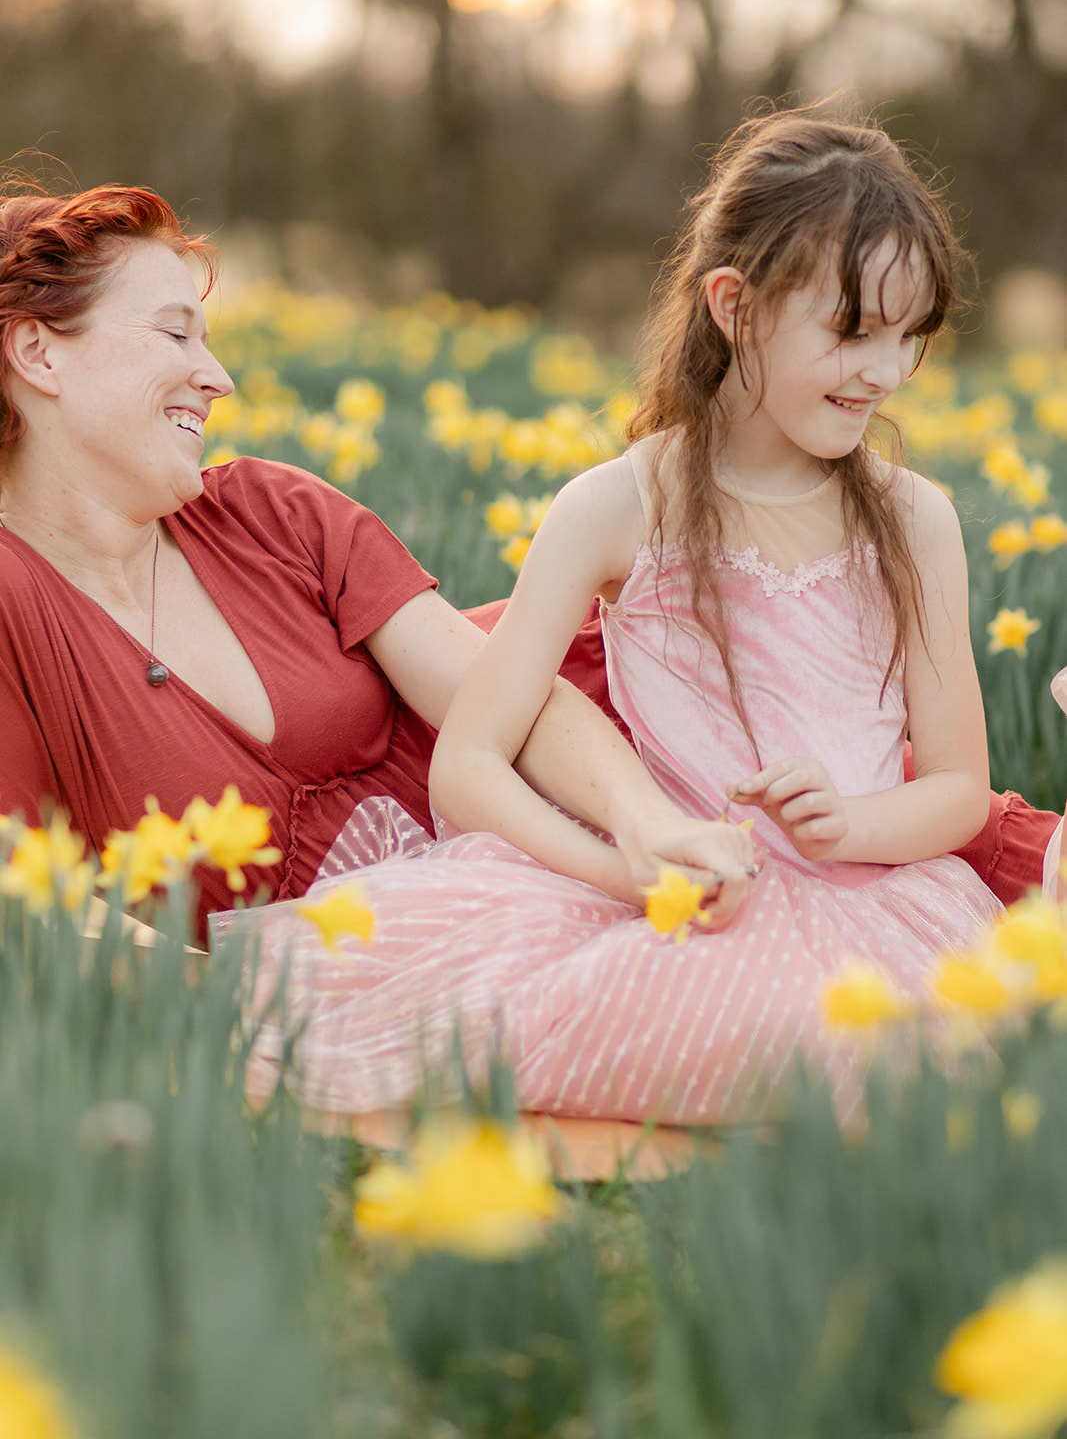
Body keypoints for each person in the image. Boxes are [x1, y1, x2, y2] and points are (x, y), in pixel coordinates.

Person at [240, 111, 1052, 1126]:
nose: (883, 372)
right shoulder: (616, 508)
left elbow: (956, 791)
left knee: (903, 1048)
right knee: (719, 1036)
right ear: (733, 305)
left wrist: (849, 825)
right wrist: (624, 868)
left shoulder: (910, 520)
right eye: (850, 330)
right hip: (675, 904)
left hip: (875, 907)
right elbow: (469, 763)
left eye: (906, 336)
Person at [0, 184, 759, 946]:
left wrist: (646, 829)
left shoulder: (269, 512)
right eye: (175, 335)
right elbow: (32, 904)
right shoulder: (17, 611)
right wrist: (226, 1014)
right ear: (37, 354)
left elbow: (514, 704)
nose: (217, 378)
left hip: (603, 772)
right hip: (382, 976)